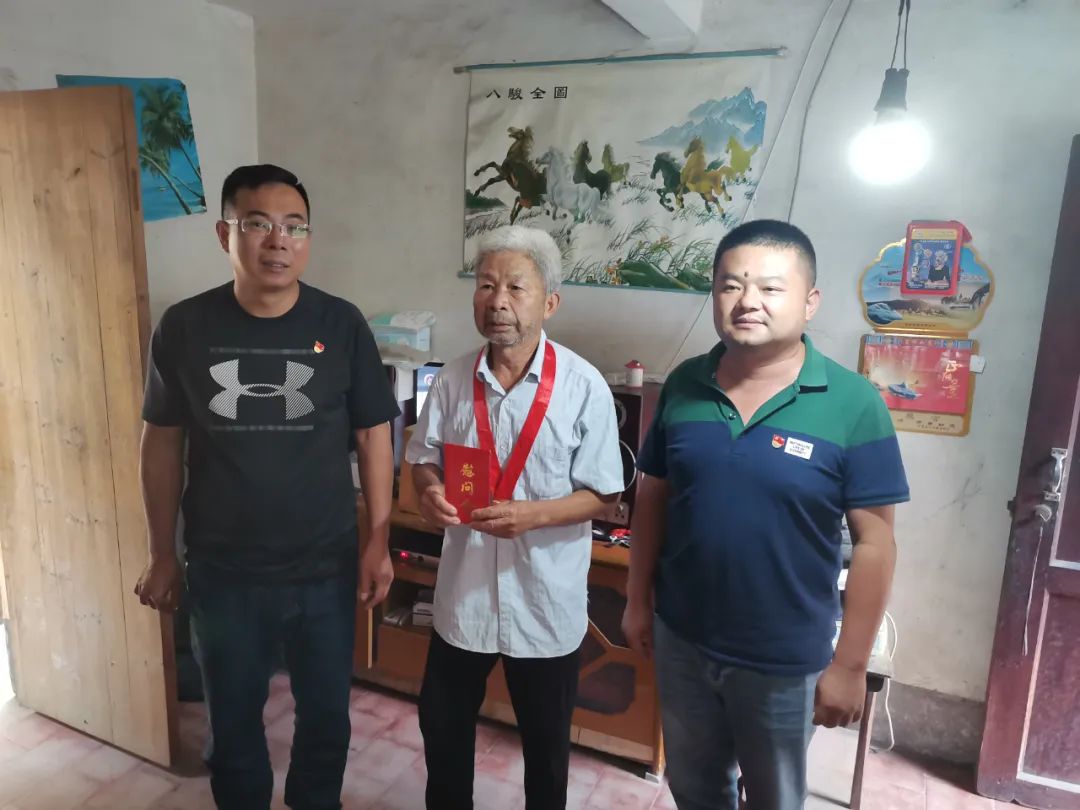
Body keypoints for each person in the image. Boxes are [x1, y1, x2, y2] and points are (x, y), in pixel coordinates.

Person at [133, 164, 399, 810]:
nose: (279, 240)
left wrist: (378, 540)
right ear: (226, 234)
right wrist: (162, 552)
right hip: (224, 570)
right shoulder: (184, 327)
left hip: (324, 567)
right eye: (258, 224)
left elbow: (373, 436)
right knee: (232, 730)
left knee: (326, 723)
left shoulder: (341, 324)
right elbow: (161, 442)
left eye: (294, 226)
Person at [621, 220, 908, 810]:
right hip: (683, 639)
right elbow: (653, 498)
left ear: (810, 302)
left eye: (771, 288)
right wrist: (635, 600)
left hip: (784, 658)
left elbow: (876, 542)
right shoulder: (684, 384)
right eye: (730, 285)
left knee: (775, 799)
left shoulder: (854, 403)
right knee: (695, 789)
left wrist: (850, 665)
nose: (747, 301)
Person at [406, 225, 623, 810]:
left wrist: (534, 515)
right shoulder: (451, 380)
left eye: (515, 288)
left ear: (549, 302)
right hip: (465, 599)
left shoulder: (583, 387)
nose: (497, 300)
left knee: (546, 753)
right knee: (442, 732)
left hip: (543, 604)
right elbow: (423, 460)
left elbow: (605, 496)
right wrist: (429, 491)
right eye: (485, 285)